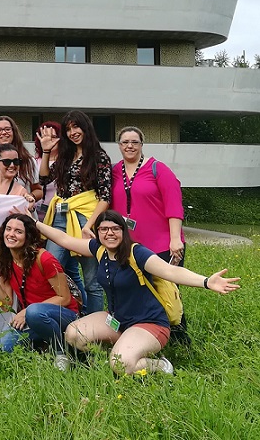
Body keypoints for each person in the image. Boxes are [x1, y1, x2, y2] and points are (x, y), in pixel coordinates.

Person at [32, 210, 239, 375]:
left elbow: (170, 271)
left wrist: (206, 281)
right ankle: (120, 351)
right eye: (104, 229)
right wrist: (34, 222)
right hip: (117, 320)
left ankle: (160, 366)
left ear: (124, 231)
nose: (109, 233)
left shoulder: (137, 253)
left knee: (120, 366)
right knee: (73, 335)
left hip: (149, 323)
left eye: (115, 228)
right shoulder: (99, 249)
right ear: (98, 232)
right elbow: (65, 239)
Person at [0, 213, 79, 369]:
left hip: (64, 315)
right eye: (8, 229)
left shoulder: (44, 258)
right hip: (32, 317)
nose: (11, 234)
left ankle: (61, 352)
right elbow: (5, 305)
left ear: (28, 236)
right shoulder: (6, 260)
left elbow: (65, 298)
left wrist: (27, 311)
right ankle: (42, 343)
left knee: (34, 312)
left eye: (18, 231)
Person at [111, 126, 189, 339]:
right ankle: (145, 335)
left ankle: (179, 337)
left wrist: (175, 239)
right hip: (131, 248)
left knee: (167, 293)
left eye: (134, 142)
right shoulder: (115, 171)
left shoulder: (158, 169)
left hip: (162, 245)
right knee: (140, 295)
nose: (129, 146)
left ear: (142, 145)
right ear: (119, 146)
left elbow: (174, 205)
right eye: (125, 142)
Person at [37, 110, 112, 314]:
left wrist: (89, 225)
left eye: (76, 126)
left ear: (86, 127)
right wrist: (46, 152)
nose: (73, 132)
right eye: (68, 129)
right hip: (60, 216)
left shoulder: (99, 157)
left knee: (91, 280)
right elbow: (44, 179)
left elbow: (105, 196)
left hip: (85, 217)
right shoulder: (66, 155)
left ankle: (94, 327)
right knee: (50, 266)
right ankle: (63, 315)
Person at [0, 116, 41, 200]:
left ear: (14, 132)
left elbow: (38, 190)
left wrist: (28, 198)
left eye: (7, 129)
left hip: (21, 210)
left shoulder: (28, 161)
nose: (3, 133)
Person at [34, 121, 61, 221]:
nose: (49, 140)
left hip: (59, 212)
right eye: (45, 137)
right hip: (36, 210)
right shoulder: (34, 161)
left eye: (53, 137)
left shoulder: (66, 163)